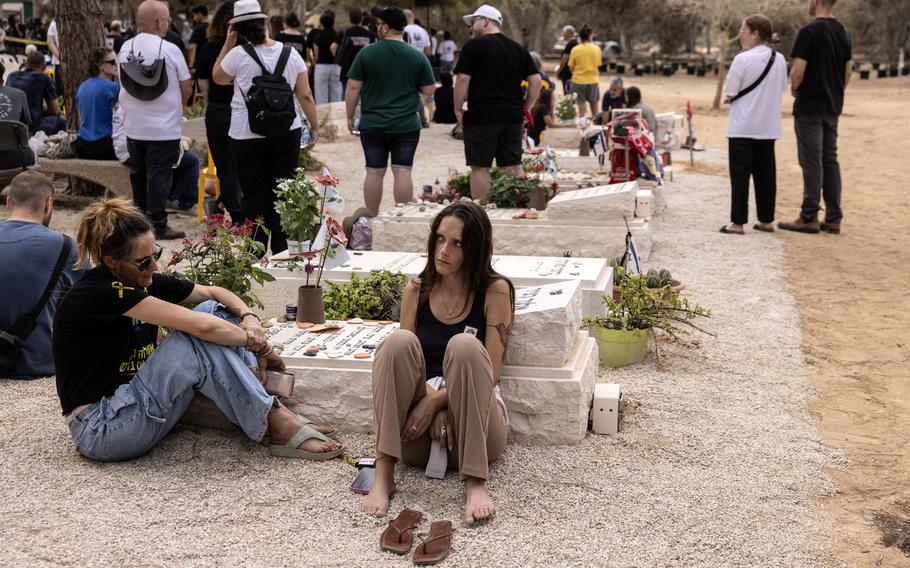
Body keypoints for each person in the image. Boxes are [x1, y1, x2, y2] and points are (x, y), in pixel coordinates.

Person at [52, 198, 344, 462]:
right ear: (111, 262)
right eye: (144, 261)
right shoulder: (99, 291)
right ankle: (278, 420)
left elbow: (214, 293)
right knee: (196, 336)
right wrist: (260, 347)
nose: (154, 266)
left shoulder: (140, 278)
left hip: (135, 405)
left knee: (210, 310)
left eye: (156, 254)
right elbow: (201, 328)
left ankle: (272, 413)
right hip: (102, 427)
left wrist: (250, 318)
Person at [362, 202, 513, 525]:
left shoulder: (494, 290)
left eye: (457, 243)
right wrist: (428, 406)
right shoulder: (417, 290)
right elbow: (401, 368)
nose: (443, 251)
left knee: (465, 346)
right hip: (419, 435)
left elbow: (493, 373)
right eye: (440, 239)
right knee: (397, 343)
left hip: (477, 432)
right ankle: (385, 470)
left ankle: (475, 483)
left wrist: (438, 402)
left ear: (475, 247)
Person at [214, 0, 319, 255]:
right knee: (284, 190)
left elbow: (218, 77)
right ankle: (283, 249)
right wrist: (314, 126)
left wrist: (228, 45)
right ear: (265, 24)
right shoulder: (291, 54)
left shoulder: (237, 56)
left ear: (237, 29)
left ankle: (256, 251)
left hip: (246, 134)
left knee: (254, 193)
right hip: (286, 130)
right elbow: (305, 95)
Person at [345, 6, 435, 215]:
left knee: (374, 172)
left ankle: (370, 217)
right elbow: (429, 88)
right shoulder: (417, 56)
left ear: (385, 28)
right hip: (406, 124)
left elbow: (353, 87)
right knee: (403, 170)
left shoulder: (367, 53)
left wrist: (349, 116)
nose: (376, 28)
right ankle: (400, 217)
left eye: (378, 25)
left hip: (373, 124)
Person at [117, 0, 193, 241]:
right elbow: (186, 87)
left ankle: (139, 224)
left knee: (138, 174)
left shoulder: (124, 48)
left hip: (133, 125)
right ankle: (158, 224)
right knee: (159, 175)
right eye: (167, 20)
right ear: (160, 22)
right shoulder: (169, 49)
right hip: (163, 128)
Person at [1, 172, 85, 379]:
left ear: (8, 202)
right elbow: (88, 297)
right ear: (49, 203)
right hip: (34, 361)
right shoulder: (63, 246)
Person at [778, 0, 851, 235]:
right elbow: (847, 71)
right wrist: (837, 92)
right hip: (832, 106)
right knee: (830, 160)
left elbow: (798, 71)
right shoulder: (843, 31)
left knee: (811, 161)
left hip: (809, 106)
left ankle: (809, 216)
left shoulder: (808, 31)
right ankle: (833, 217)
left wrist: (795, 88)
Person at [454, 4, 540, 199]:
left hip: (481, 116)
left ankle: (481, 214)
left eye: (473, 21)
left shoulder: (473, 46)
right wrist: (525, 108)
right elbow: (536, 82)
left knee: (480, 168)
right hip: (512, 117)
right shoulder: (517, 48)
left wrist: (458, 109)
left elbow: (462, 79)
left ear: (485, 21)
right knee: (513, 165)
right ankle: (519, 209)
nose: (470, 27)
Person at [719, 15, 788, 236]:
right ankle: (766, 220)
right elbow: (781, 88)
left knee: (740, 176)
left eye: (743, 30)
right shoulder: (779, 59)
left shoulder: (742, 59)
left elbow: (730, 91)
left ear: (755, 33)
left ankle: (738, 223)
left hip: (742, 125)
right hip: (768, 126)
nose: (740, 34)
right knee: (766, 175)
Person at [195, 0, 243, 223]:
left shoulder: (207, 49)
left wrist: (210, 103)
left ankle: (226, 207)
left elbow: (203, 85)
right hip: (241, 112)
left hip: (217, 110)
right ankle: (238, 213)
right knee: (238, 166)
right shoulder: (246, 50)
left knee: (225, 166)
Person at [74, 47, 120, 161]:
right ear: (99, 65)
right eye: (112, 62)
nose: (116, 65)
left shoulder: (82, 87)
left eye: (117, 61)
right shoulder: (113, 88)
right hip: (104, 145)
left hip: (82, 144)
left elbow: (81, 118)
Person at [5, 51, 67, 135]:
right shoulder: (43, 78)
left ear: (25, 64)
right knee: (61, 121)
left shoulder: (11, 76)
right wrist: (41, 109)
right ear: (44, 67)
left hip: (8, 124)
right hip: (30, 127)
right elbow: (55, 110)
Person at [333, 7, 377, 95]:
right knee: (365, 99)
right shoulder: (371, 35)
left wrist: (339, 59)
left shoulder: (344, 33)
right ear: (362, 18)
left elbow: (333, 47)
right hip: (365, 72)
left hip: (347, 71)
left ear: (350, 19)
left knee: (348, 99)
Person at [402, 9, 433, 128]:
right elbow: (428, 51)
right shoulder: (423, 31)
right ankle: (423, 119)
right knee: (417, 93)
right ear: (413, 17)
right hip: (420, 64)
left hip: (405, 64)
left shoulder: (403, 30)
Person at [568, 24, 601, 120]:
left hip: (578, 81)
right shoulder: (596, 49)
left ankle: (583, 129)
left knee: (582, 110)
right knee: (595, 109)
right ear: (590, 35)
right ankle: (596, 127)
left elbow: (571, 66)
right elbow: (598, 64)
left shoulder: (575, 50)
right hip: (593, 81)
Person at [311, 10, 342, 105]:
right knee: (336, 94)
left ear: (322, 23)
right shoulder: (338, 35)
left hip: (321, 66)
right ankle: (337, 117)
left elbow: (316, 55)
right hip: (335, 66)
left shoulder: (318, 37)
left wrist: (315, 60)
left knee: (321, 95)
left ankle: (322, 118)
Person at [556, 25, 577, 95]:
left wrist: (558, 71)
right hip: (572, 74)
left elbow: (564, 60)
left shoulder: (571, 44)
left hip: (568, 74)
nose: (562, 34)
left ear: (568, 33)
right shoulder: (575, 43)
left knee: (568, 95)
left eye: (563, 32)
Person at [186, 4, 209, 70]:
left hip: (200, 64)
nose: (194, 18)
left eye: (194, 15)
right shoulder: (214, 27)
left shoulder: (198, 29)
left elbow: (192, 48)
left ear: (200, 14)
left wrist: (191, 66)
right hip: (212, 62)